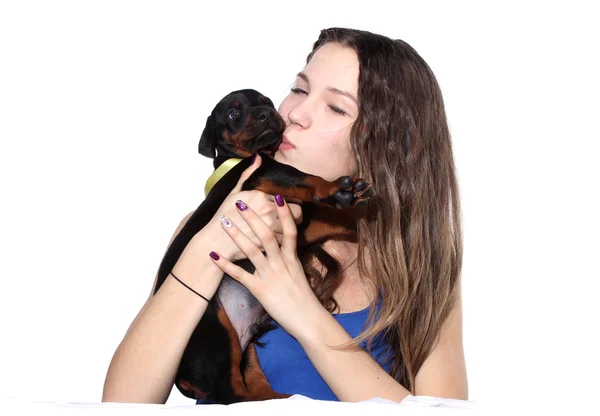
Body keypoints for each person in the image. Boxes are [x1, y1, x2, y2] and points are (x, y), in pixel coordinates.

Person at [102, 27, 468, 404]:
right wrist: (208, 248)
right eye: (298, 89)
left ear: (385, 145)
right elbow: (123, 406)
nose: (295, 114)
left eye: (336, 107)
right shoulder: (203, 231)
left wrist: (303, 312)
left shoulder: (420, 266)